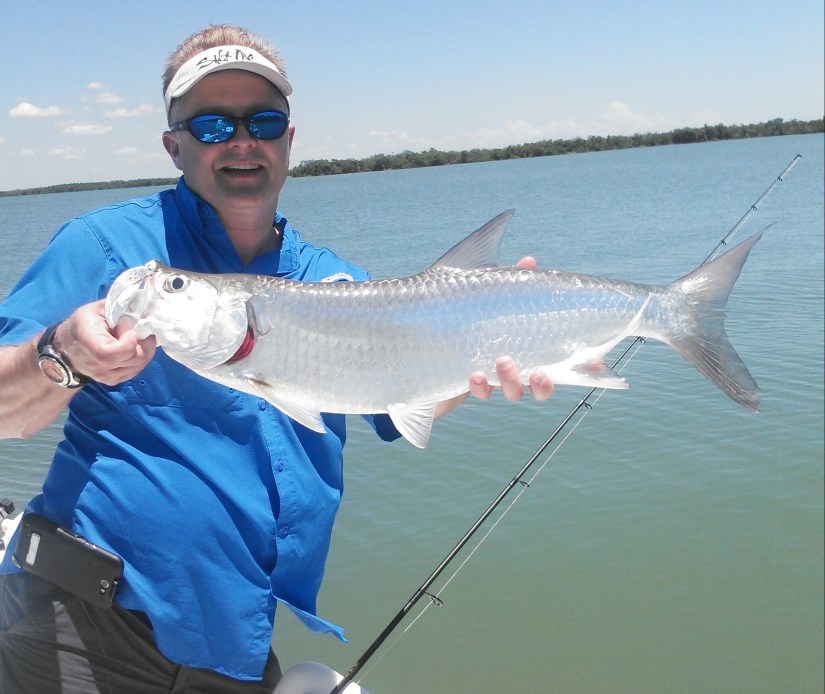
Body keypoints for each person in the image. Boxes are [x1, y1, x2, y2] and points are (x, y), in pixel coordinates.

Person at [0, 24, 553, 692]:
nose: (242, 141)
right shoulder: (104, 247)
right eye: (212, 125)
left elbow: (405, 404)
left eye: (262, 122)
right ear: (173, 145)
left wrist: (483, 362)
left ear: (288, 140)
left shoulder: (334, 281)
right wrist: (62, 352)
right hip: (83, 624)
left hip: (235, 645)